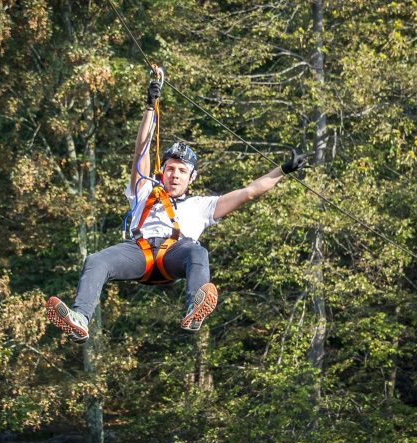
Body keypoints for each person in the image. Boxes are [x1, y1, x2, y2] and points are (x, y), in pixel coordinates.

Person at [45, 67, 310, 344]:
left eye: (182, 171)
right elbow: (141, 150)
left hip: (176, 255)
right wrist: (150, 106)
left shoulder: (201, 206)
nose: (174, 175)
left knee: (198, 252)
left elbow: (250, 191)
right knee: (96, 260)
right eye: (171, 169)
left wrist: (282, 170)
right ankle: (79, 319)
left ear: (191, 177)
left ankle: (195, 308)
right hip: (139, 252)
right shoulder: (144, 189)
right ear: (162, 172)